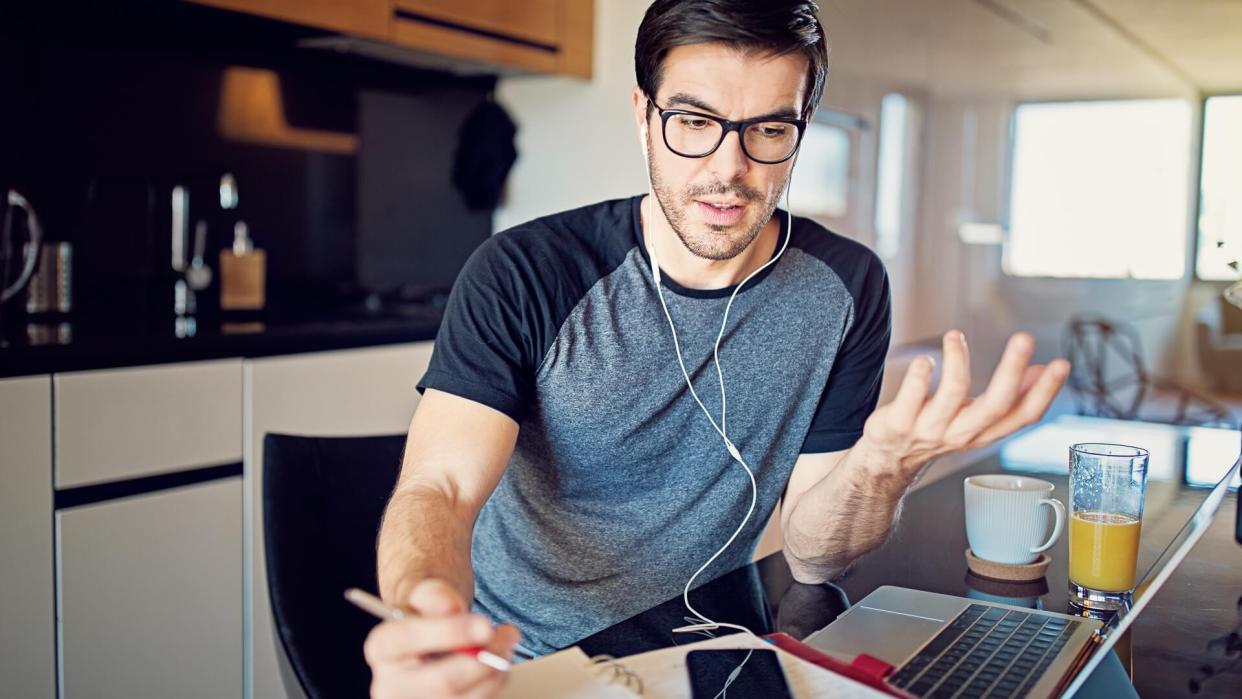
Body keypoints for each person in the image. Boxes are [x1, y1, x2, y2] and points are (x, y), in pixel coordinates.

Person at [362, 1, 1070, 697]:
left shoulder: (846, 286)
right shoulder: (524, 270)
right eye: (694, 122)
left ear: (801, 128)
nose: (729, 167)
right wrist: (426, 608)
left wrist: (882, 467)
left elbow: (813, 555)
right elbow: (441, 489)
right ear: (644, 117)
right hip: (534, 661)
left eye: (767, 128)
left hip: (727, 650)